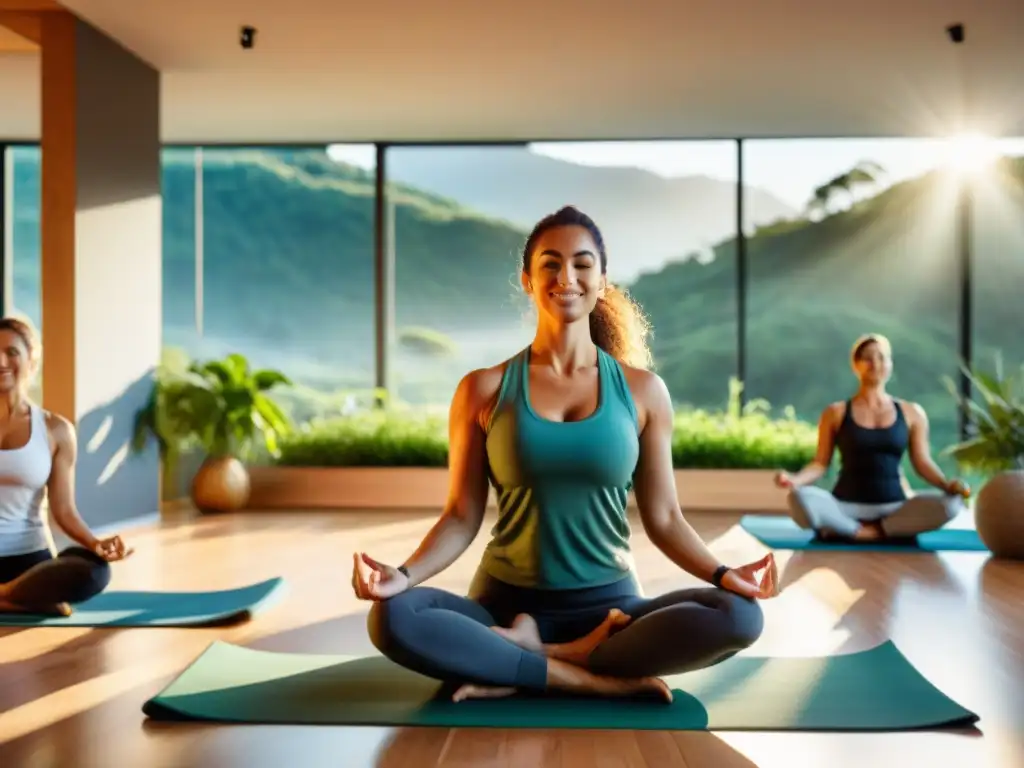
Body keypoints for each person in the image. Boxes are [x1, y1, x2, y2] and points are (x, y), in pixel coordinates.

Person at [351, 205, 777, 705]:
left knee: (741, 616)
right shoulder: (483, 389)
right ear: (527, 279)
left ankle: (533, 659)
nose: (566, 277)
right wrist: (399, 577)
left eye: (582, 263)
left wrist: (726, 575)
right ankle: (582, 675)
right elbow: (461, 516)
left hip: (611, 612)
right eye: (550, 263)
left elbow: (664, 518)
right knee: (393, 616)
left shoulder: (643, 392)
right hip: (503, 608)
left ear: (602, 279)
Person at [773, 333, 969, 542]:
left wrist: (945, 485)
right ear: (855, 365)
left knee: (951, 504)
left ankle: (856, 531)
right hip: (845, 505)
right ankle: (867, 531)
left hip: (894, 507)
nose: (875, 363)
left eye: (882, 357)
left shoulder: (912, 412)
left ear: (890, 364)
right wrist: (795, 480)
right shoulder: (835, 412)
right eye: (867, 357)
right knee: (799, 497)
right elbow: (820, 463)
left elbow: (922, 463)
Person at [0, 316, 132, 616]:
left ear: (31, 361)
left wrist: (96, 544)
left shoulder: (55, 430)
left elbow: (63, 510)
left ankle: (8, 594)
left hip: (29, 563)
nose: (1, 360)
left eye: (12, 352)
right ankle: (23, 602)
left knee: (94, 571)